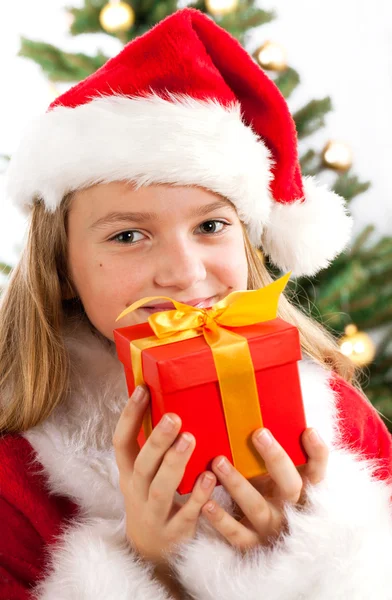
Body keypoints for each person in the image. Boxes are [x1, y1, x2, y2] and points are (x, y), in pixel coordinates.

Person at [1, 7, 391, 600]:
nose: (185, 274)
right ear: (61, 270)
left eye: (210, 226)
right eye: (127, 235)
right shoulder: (14, 474)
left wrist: (312, 552)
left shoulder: (337, 415)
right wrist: (150, 569)